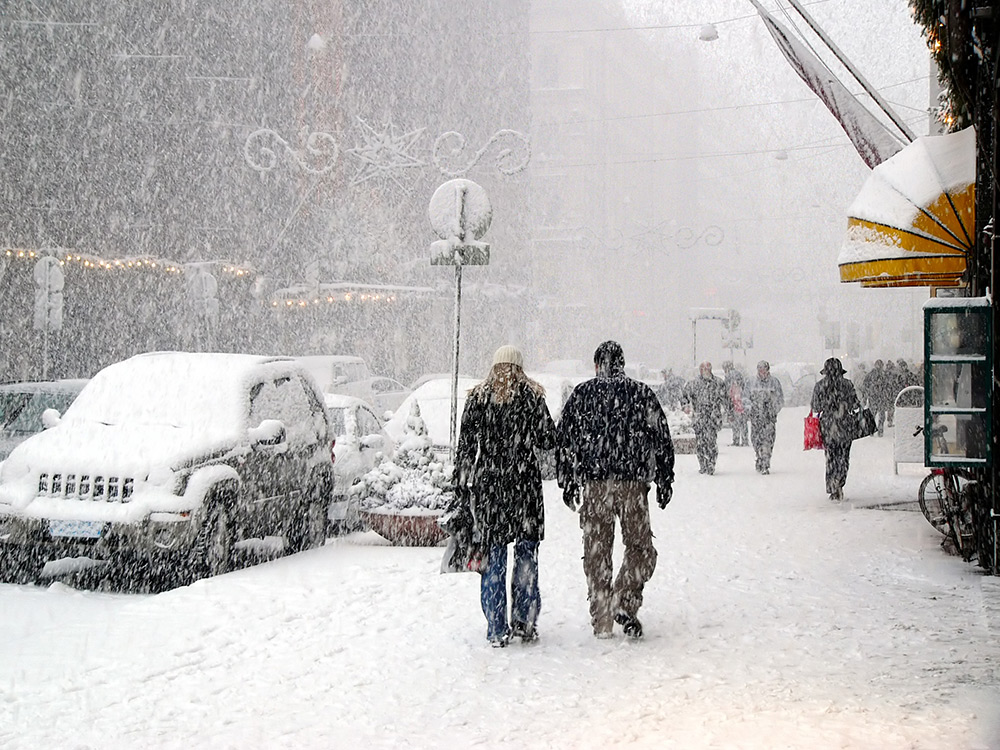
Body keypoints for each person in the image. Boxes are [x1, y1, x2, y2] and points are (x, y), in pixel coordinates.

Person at [556, 340, 675, 640]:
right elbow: (661, 437)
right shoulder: (640, 394)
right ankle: (624, 597)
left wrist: (567, 479)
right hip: (632, 486)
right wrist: (664, 477)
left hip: (596, 487)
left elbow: (564, 440)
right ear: (622, 363)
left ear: (597, 365)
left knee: (596, 554)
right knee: (641, 548)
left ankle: (603, 618)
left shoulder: (583, 395)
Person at [453, 345, 556, 648]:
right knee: (526, 559)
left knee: (494, 559)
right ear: (520, 367)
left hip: (491, 491)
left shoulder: (478, 399)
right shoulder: (532, 398)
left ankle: (497, 627)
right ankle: (523, 622)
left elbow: (466, 448)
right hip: (524, 489)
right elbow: (548, 438)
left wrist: (461, 485)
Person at [810, 357, 861, 502]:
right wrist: (844, 406)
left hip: (828, 426)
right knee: (843, 457)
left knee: (831, 457)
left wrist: (827, 406)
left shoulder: (820, 386)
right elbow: (855, 404)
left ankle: (833, 486)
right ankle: (840, 482)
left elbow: (815, 406)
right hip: (845, 426)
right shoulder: (847, 385)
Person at [682, 361, 727, 474]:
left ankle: (711, 464)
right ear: (700, 371)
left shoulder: (718, 383)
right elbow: (684, 397)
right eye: (703, 369)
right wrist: (686, 406)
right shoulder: (693, 384)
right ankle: (703, 464)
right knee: (701, 443)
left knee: (711, 442)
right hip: (699, 417)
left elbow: (726, 399)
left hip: (713, 417)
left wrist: (728, 412)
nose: (706, 371)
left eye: (708, 368)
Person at [744, 360, 783, 474]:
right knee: (756, 440)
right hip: (756, 418)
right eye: (760, 369)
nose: (762, 371)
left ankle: (765, 461)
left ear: (768, 370)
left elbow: (780, 399)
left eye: (764, 369)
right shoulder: (751, 382)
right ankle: (759, 455)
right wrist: (750, 409)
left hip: (769, 418)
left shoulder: (774, 382)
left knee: (768, 440)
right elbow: (745, 398)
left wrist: (773, 410)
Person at [722, 361, 748, 447]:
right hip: (741, 402)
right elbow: (744, 387)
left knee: (735, 424)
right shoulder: (739, 374)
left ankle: (736, 440)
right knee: (743, 423)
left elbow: (727, 390)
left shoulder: (728, 376)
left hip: (734, 402)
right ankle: (745, 440)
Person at [863, 359, 888, 437]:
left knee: (874, 415)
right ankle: (879, 430)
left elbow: (865, 385)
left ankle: (873, 430)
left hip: (875, 397)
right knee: (879, 415)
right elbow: (887, 386)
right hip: (879, 397)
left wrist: (868, 394)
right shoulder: (883, 375)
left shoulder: (871, 375)